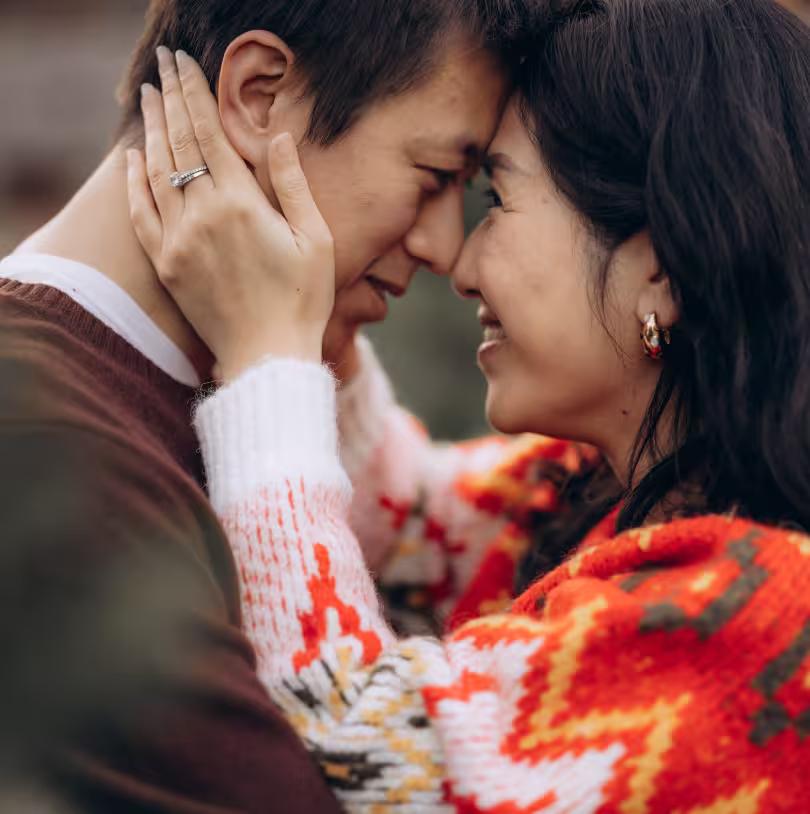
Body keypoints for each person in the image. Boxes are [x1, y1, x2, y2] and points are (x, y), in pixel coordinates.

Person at [129, 0, 810, 809]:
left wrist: (269, 352)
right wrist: (309, 289)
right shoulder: (592, 492)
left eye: (496, 199)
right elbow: (403, 514)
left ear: (657, 265)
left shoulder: (765, 620)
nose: (459, 260)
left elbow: (349, 752)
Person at [0, 0, 522, 810]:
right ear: (257, 96)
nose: (445, 247)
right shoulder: (37, 443)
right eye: (436, 177)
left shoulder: (171, 397)